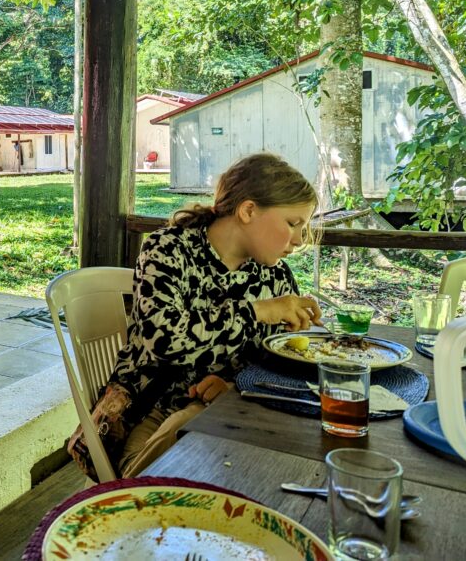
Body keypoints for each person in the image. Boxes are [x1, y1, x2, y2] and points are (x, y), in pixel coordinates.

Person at [68, 152, 322, 480]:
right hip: (150, 413)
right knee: (191, 433)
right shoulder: (168, 251)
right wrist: (260, 311)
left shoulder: (274, 275)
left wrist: (233, 384)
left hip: (231, 413)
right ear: (248, 211)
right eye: (293, 223)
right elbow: (166, 341)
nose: (300, 240)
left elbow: (277, 360)